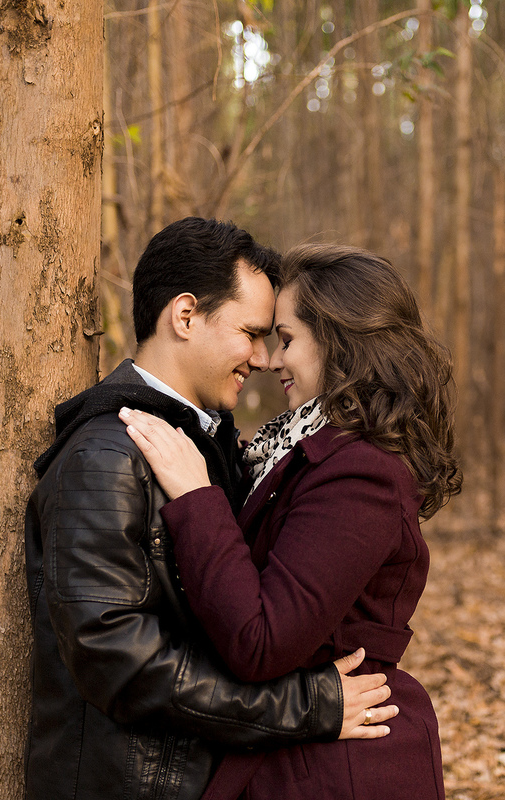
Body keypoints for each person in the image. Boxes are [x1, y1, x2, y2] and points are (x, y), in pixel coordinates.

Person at [24, 220, 397, 800]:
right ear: (185, 315)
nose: (261, 357)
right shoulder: (105, 455)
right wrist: (303, 706)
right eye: (249, 333)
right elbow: (116, 659)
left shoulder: (208, 447)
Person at [119, 242, 461, 799]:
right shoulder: (300, 454)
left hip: (337, 769)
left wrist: (197, 497)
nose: (271, 360)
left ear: (340, 343)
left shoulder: (362, 474)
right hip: (302, 751)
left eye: (287, 340)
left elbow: (262, 640)